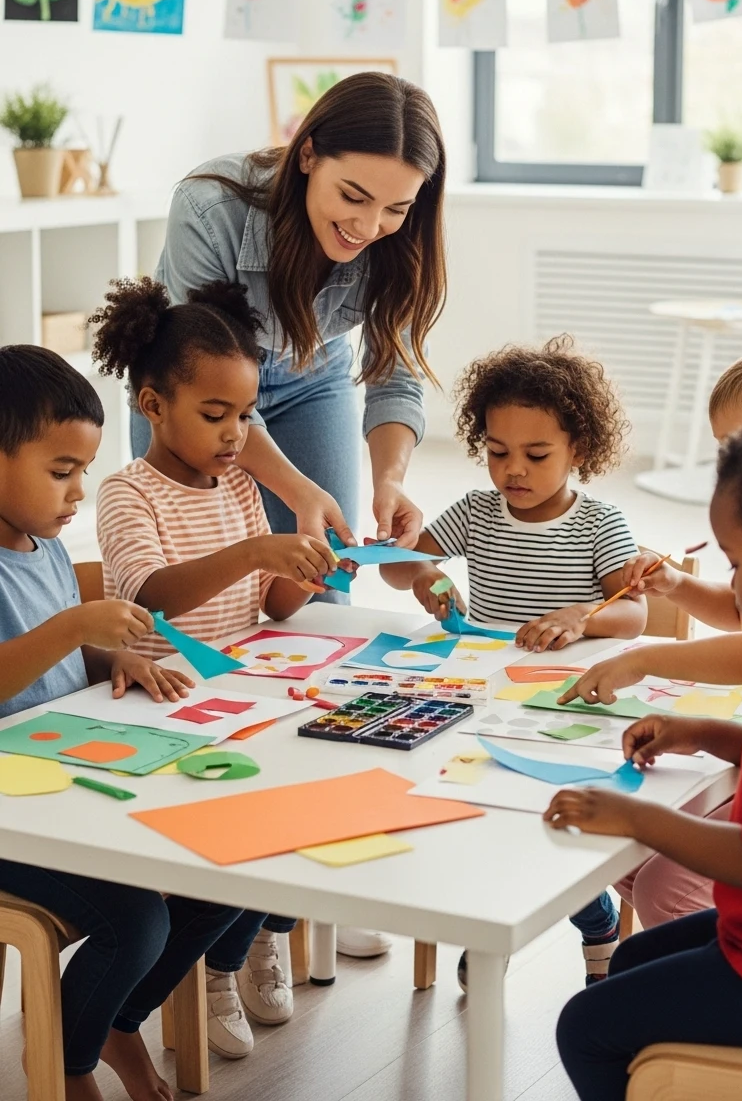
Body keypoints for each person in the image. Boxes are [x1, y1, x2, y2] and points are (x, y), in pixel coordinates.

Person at [132, 71, 447, 964]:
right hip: (200, 384)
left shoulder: (398, 236)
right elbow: (210, 383)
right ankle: (226, 894)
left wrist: (385, 473)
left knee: (312, 598)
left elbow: (392, 369)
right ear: (306, 153)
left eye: (394, 208)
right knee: (207, 609)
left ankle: (312, 866)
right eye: (352, 195)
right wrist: (294, 487)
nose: (367, 226)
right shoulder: (212, 202)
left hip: (308, 380)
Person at [91, 278, 337, 1058]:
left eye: (244, 415)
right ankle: (186, 977)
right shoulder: (128, 492)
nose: (236, 435)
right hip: (153, 710)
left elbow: (276, 604)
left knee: (315, 807)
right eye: (214, 414)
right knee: (248, 844)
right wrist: (256, 550)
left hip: (236, 703)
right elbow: (151, 597)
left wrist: (304, 569)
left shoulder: (236, 484)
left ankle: (236, 946)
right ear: (153, 404)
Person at [0, 345, 245, 1101]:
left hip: (62, 783)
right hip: (14, 818)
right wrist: (77, 628)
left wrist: (113, 662)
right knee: (133, 921)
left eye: (83, 469)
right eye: (60, 470)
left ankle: (117, 1019)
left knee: (224, 875)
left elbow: (51, 673)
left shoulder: (41, 546)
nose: (78, 492)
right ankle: (67, 1065)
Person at [380, 336, 646, 985]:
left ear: (578, 451)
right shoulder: (478, 512)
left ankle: (597, 924)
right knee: (473, 815)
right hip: (480, 694)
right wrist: (423, 576)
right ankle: (488, 925)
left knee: (546, 825)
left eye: (536, 455)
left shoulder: (598, 523)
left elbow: (634, 613)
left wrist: (579, 615)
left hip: (565, 703)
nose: (513, 471)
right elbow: (398, 567)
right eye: (498, 453)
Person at [550, 415, 742, 1101]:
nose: (730, 591)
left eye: (735, 564)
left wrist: (636, 819)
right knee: (634, 955)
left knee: (584, 1027)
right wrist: (702, 732)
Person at [559, 342, 742, 929]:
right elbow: (741, 611)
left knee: (663, 883)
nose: (734, 467)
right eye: (725, 452)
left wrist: (648, 659)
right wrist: (675, 585)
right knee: (635, 861)